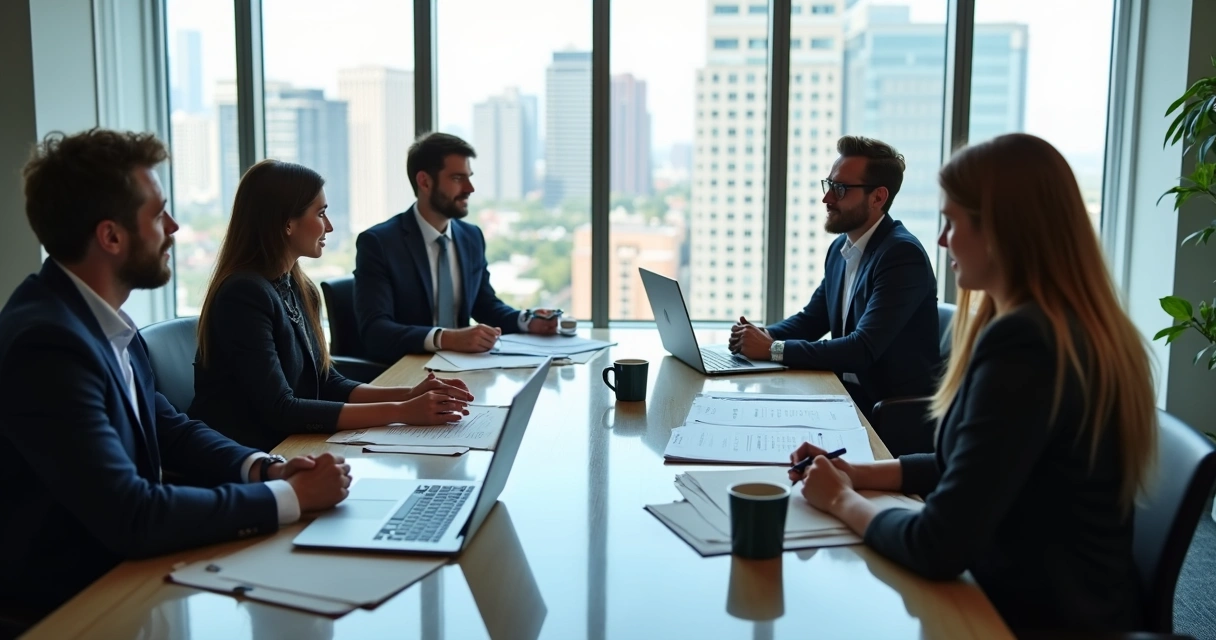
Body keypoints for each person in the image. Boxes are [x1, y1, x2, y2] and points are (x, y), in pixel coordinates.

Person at [788, 133, 1156, 633]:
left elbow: (935, 545)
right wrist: (857, 472)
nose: (941, 240)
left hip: (1033, 617)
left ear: (1004, 231)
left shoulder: (1027, 344)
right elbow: (966, 465)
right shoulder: (1059, 326)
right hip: (1055, 593)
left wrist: (839, 500)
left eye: (953, 222)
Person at [0, 129, 352, 618]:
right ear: (111, 236)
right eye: (157, 213)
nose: (174, 226)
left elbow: (172, 429)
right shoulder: (48, 345)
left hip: (133, 574)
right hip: (75, 604)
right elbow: (131, 513)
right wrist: (286, 497)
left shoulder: (103, 323)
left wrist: (265, 468)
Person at [191, 159, 475, 453]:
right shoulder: (243, 295)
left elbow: (324, 381)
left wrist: (410, 395)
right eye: (321, 213)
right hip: (245, 456)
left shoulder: (299, 287)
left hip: (293, 445)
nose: (329, 226)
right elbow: (281, 410)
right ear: (287, 222)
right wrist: (402, 411)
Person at [729, 136, 939, 418]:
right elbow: (812, 319)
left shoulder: (901, 255)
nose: (826, 198)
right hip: (843, 396)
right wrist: (761, 335)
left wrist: (772, 349)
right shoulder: (842, 248)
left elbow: (861, 349)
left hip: (889, 412)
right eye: (829, 185)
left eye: (840, 189)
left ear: (878, 197)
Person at [354, 132, 559, 362]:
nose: (470, 188)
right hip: (407, 372)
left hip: (464, 369)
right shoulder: (380, 243)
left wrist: (528, 320)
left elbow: (485, 306)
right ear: (425, 181)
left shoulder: (471, 237)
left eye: (469, 177)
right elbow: (376, 332)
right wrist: (447, 338)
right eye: (457, 178)